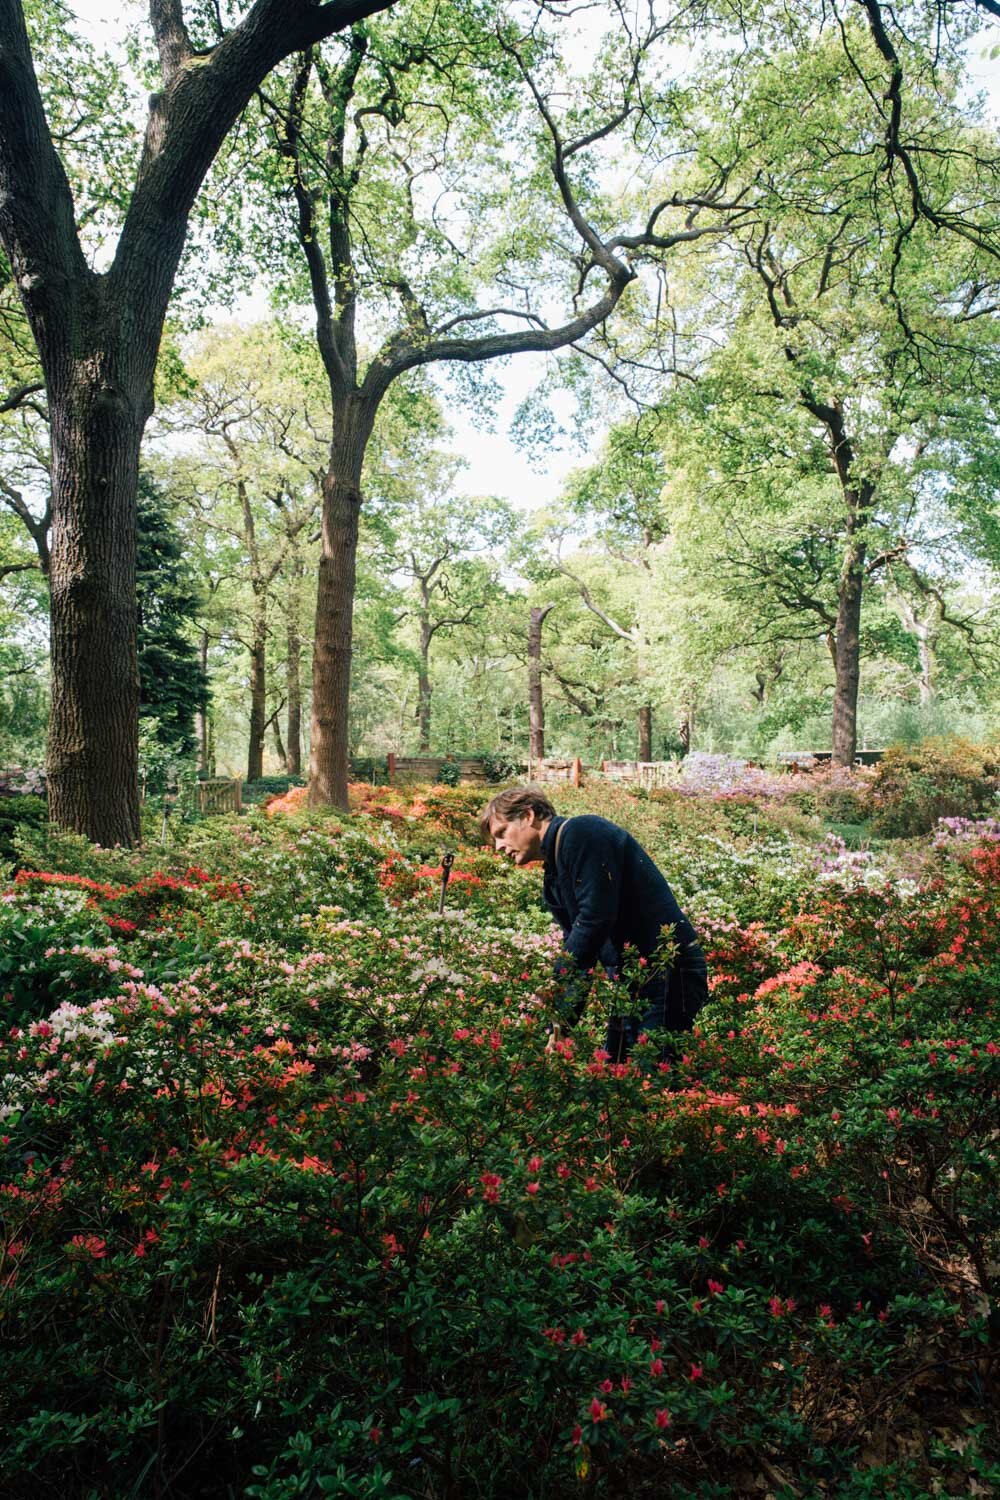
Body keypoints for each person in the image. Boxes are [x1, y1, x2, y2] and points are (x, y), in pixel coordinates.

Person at [481, 786, 708, 1063]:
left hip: (668, 972)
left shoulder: (581, 832)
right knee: (619, 1077)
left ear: (528, 816)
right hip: (634, 979)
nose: (498, 847)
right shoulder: (553, 881)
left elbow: (594, 921)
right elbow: (581, 950)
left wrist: (556, 990)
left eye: (502, 833)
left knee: (652, 1082)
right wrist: (560, 1025)